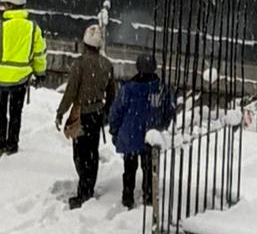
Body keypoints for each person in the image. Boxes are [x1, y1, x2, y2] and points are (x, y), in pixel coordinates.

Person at [0, 0, 47, 159]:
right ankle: (12, 145)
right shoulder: (33, 28)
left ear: (10, 5)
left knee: (0, 112)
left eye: (5, 4)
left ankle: (0, 143)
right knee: (16, 112)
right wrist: (40, 73)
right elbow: (39, 53)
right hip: (20, 80)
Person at [54, 21, 116, 208]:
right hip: (96, 113)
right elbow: (112, 92)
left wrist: (60, 112)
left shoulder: (79, 64)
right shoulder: (107, 65)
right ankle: (88, 187)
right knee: (92, 152)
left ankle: (83, 191)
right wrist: (106, 111)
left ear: (85, 43)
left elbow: (71, 91)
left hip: (81, 114)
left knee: (80, 154)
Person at [109, 54, 176, 217]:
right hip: (151, 136)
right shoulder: (161, 89)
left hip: (130, 135)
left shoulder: (127, 89)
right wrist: (161, 126)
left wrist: (115, 130)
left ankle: (127, 199)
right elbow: (169, 111)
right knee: (149, 169)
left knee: (129, 170)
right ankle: (148, 198)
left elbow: (116, 111)